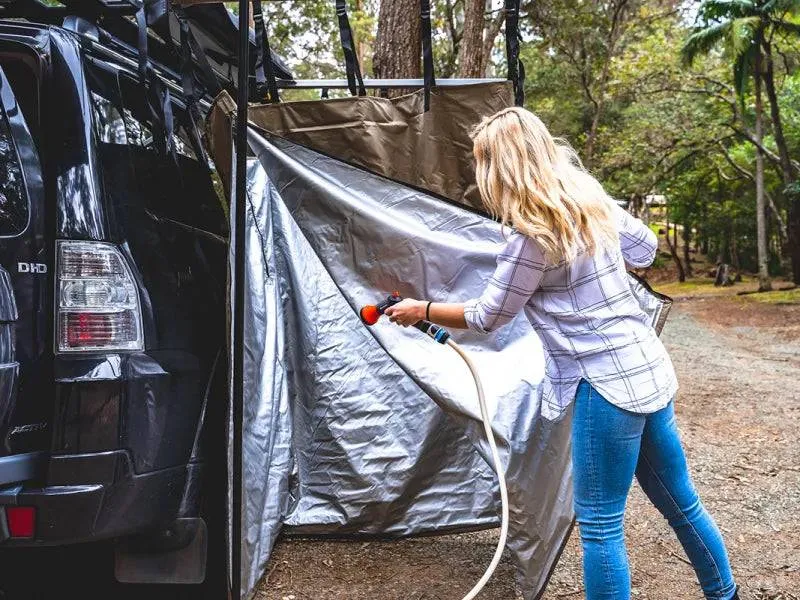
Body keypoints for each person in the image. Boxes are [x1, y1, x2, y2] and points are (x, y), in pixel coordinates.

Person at [383, 107, 738, 600]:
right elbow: (646, 250)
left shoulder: (532, 236)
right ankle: (725, 594)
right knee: (683, 504)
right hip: (648, 369)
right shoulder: (592, 202)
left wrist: (420, 308)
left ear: (499, 168)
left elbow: (489, 316)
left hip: (606, 386)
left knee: (600, 526)